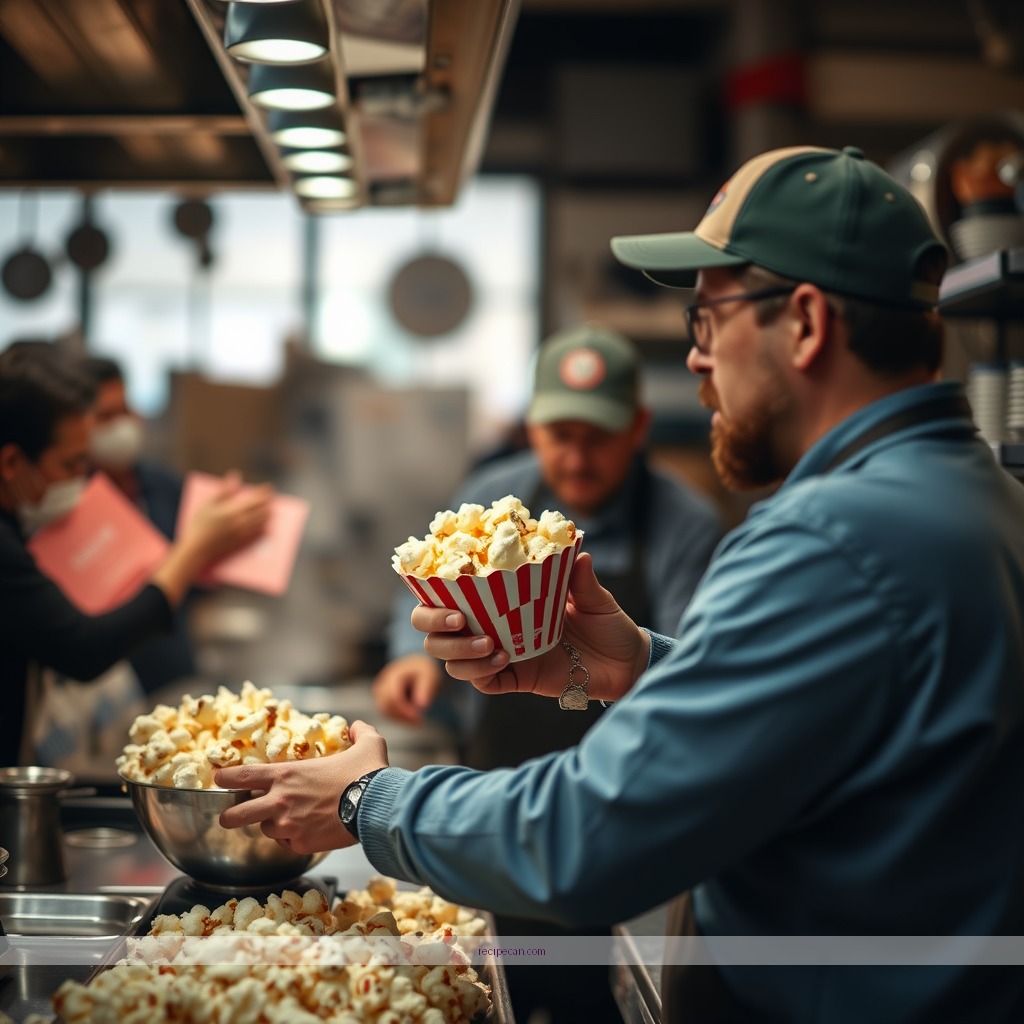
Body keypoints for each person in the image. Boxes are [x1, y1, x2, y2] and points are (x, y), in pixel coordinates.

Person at [216, 146, 1024, 1023]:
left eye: (709, 320)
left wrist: (364, 801)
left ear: (803, 322)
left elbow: (585, 839)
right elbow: (842, 726)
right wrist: (637, 663)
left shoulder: (830, 540)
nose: (696, 361)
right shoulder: (983, 500)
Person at [374, 323, 724, 770]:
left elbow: (693, 668)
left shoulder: (685, 523)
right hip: (495, 770)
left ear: (638, 428)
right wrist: (413, 655)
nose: (577, 459)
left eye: (598, 439)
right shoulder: (489, 497)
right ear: (532, 428)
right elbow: (435, 583)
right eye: (561, 435)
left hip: (628, 771)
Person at [0, 343, 272, 766]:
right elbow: (80, 649)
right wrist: (191, 551)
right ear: (12, 462)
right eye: (72, 465)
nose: (80, 482)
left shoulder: (161, 487)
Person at [81, 355, 197, 695]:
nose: (122, 425)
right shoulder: (69, 504)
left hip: (173, 669)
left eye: (125, 410)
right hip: (106, 685)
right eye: (106, 416)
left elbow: (198, 583)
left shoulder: (165, 486)